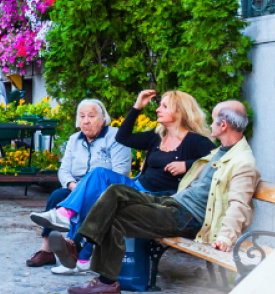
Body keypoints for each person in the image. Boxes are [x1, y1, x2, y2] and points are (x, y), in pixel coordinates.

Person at [62, 101, 256, 294]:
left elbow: (239, 204)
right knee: (115, 191)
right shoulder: (220, 152)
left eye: (214, 121)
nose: (211, 125)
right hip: (174, 203)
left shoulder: (242, 162)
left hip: (188, 217)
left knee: (115, 216)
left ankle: (101, 276)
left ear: (223, 125)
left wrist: (225, 238)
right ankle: (81, 248)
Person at [32, 88, 216, 274]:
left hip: (160, 199)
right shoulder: (156, 136)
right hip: (137, 188)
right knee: (99, 175)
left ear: (180, 111)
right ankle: (69, 224)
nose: (158, 109)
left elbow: (218, 163)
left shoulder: (196, 141)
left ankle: (78, 250)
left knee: (98, 197)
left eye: (164, 106)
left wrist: (189, 165)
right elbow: (123, 137)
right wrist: (137, 106)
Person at [26, 100, 132, 267]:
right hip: (75, 188)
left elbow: (121, 173)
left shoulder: (115, 137)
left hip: (105, 190)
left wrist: (86, 189)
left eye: (91, 116)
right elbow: (64, 170)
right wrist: (72, 185)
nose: (86, 121)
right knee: (57, 196)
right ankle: (47, 250)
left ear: (103, 118)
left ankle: (73, 249)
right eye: (82, 116)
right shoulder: (74, 140)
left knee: (87, 199)